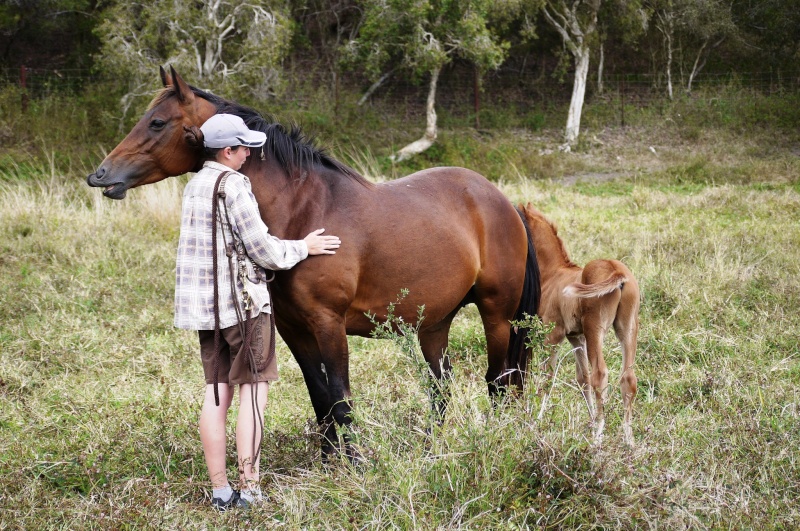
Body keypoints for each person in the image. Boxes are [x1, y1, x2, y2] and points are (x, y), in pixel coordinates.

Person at [174, 113, 341, 511]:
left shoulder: (194, 184)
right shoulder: (234, 186)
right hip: (245, 308)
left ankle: (220, 491)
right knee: (253, 394)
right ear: (227, 151)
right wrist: (305, 247)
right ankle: (249, 488)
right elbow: (262, 249)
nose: (249, 152)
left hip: (206, 311)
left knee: (216, 394)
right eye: (243, 146)